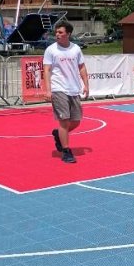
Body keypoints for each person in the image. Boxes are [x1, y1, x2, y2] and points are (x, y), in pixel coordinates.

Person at [43, 22, 89, 164]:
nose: (57, 34)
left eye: (61, 32)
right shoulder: (51, 50)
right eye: (56, 32)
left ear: (68, 34)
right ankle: (66, 151)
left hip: (73, 89)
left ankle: (58, 135)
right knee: (64, 121)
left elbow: (81, 67)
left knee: (76, 122)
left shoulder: (76, 49)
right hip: (58, 89)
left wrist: (86, 85)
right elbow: (47, 70)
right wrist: (48, 90)